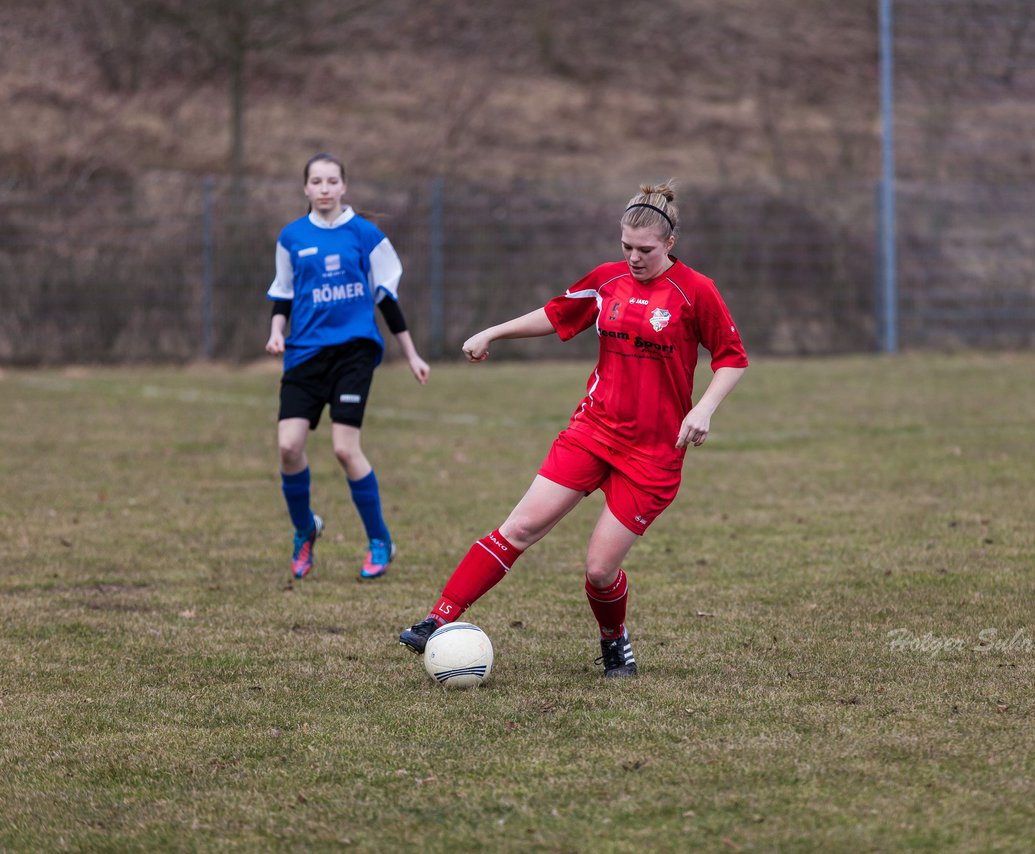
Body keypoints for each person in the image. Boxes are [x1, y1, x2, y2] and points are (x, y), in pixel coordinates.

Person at [398, 179, 748, 677]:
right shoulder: (607, 281)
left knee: (600, 570)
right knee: (519, 526)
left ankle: (614, 639)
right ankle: (438, 619)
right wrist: (493, 331)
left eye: (645, 249)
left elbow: (732, 358)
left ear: (670, 244)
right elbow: (555, 314)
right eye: (626, 246)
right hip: (593, 431)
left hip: (653, 453)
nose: (633, 257)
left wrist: (705, 407)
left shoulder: (696, 292)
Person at [266, 153, 430, 580]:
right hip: (303, 352)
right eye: (316, 181)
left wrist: (411, 354)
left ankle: (380, 539)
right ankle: (305, 530)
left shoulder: (365, 235)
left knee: (344, 448)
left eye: (331, 181)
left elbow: (386, 299)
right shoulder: (291, 237)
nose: (323, 188)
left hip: (353, 352)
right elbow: (283, 293)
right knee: (288, 447)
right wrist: (276, 330)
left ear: (343, 187)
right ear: (305, 188)